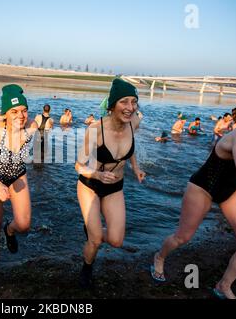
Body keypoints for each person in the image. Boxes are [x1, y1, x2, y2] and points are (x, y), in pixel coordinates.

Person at [151, 96, 236, 299]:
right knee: (183, 237)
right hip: (204, 187)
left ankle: (224, 285)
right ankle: (159, 257)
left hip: (232, 192)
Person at [75, 79, 146, 289]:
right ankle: (87, 267)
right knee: (95, 241)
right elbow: (78, 166)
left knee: (116, 240)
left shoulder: (135, 122)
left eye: (134, 102)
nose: (130, 107)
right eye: (124, 102)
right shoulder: (96, 130)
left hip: (115, 187)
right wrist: (97, 175)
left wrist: (135, 168)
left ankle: (92, 229)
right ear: (113, 104)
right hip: (90, 184)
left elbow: (129, 150)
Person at [0, 84, 38, 275]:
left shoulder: (32, 127)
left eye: (24, 110)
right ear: (5, 113)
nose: (20, 115)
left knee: (24, 224)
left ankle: (9, 231)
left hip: (18, 174)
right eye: (14, 111)